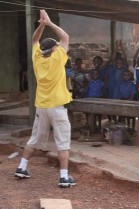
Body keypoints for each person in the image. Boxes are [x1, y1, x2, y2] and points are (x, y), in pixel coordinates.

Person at [14, 9, 76, 188]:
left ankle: (22, 167)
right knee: (62, 142)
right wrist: (48, 23)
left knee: (34, 139)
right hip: (57, 108)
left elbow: (34, 40)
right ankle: (64, 177)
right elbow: (65, 37)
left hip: (41, 107)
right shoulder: (58, 58)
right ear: (54, 49)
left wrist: (40, 26)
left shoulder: (37, 59)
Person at [86, 69, 105, 133]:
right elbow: (87, 91)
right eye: (94, 74)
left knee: (98, 114)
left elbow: (103, 91)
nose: (95, 75)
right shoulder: (90, 83)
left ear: (99, 75)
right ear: (91, 75)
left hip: (99, 99)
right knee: (91, 114)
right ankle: (92, 127)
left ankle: (99, 126)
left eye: (96, 74)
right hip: (90, 99)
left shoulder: (101, 83)